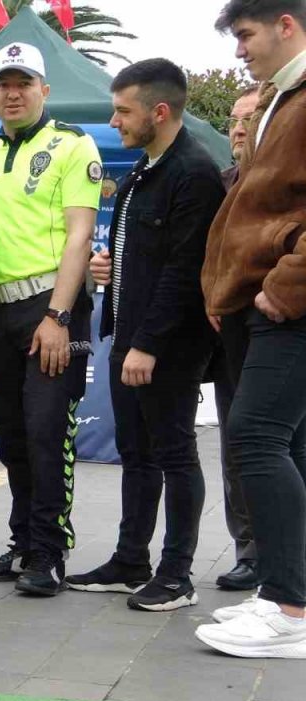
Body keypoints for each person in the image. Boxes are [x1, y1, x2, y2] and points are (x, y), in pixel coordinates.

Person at [65, 60, 225, 612]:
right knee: (137, 453)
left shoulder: (194, 174)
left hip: (167, 346)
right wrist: (116, 266)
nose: (114, 122)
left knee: (175, 453)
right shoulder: (142, 170)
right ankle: (131, 560)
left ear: (160, 111)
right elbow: (152, 256)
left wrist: (149, 345)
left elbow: (186, 271)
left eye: (123, 111)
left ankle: (176, 575)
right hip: (130, 333)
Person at [0, 42, 101, 597]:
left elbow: (80, 234)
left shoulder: (72, 144)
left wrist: (59, 316)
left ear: (44, 89)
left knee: (47, 433)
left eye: (24, 83)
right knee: (12, 435)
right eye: (3, 83)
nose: (13, 93)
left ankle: (48, 551)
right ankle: (22, 541)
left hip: (50, 307)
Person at [196, 0, 306, 660]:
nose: (239, 48)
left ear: (286, 25)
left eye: (246, 34)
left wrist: (283, 287)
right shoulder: (279, 98)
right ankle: (285, 593)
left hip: (285, 304)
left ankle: (290, 605)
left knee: (256, 437)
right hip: (261, 301)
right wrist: (226, 287)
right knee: (285, 444)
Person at [210, 84, 262, 592]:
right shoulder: (220, 185)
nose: (240, 127)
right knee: (237, 443)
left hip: (285, 334)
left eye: (251, 117)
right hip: (232, 339)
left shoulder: (288, 186)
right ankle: (249, 549)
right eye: (233, 120)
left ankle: (284, 550)